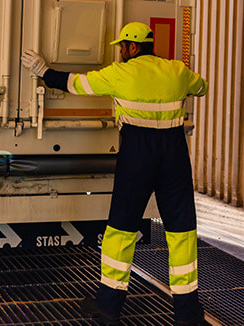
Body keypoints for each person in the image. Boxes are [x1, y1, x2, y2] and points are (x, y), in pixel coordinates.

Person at [21, 22, 209, 326]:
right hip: (174, 154)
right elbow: (202, 87)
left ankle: (109, 307)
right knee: (181, 231)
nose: (120, 51)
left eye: (122, 46)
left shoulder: (120, 73)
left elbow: (75, 84)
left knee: (121, 229)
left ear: (132, 47)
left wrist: (43, 70)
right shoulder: (176, 69)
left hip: (138, 154)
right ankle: (187, 314)